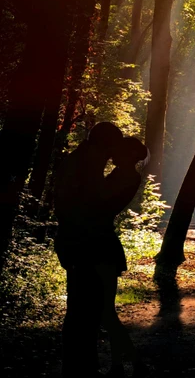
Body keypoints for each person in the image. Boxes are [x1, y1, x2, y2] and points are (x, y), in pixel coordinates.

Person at [53, 122, 124, 378]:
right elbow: (92, 203)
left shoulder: (79, 160)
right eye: (113, 146)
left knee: (82, 307)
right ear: (105, 143)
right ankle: (81, 368)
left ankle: (79, 366)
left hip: (76, 243)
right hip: (84, 244)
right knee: (86, 309)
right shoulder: (88, 164)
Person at [93, 136, 149, 378]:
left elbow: (100, 198)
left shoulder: (125, 176)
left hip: (103, 244)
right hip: (105, 243)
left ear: (128, 154)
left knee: (105, 311)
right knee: (106, 311)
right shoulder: (124, 174)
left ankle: (134, 362)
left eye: (119, 149)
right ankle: (119, 364)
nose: (113, 151)